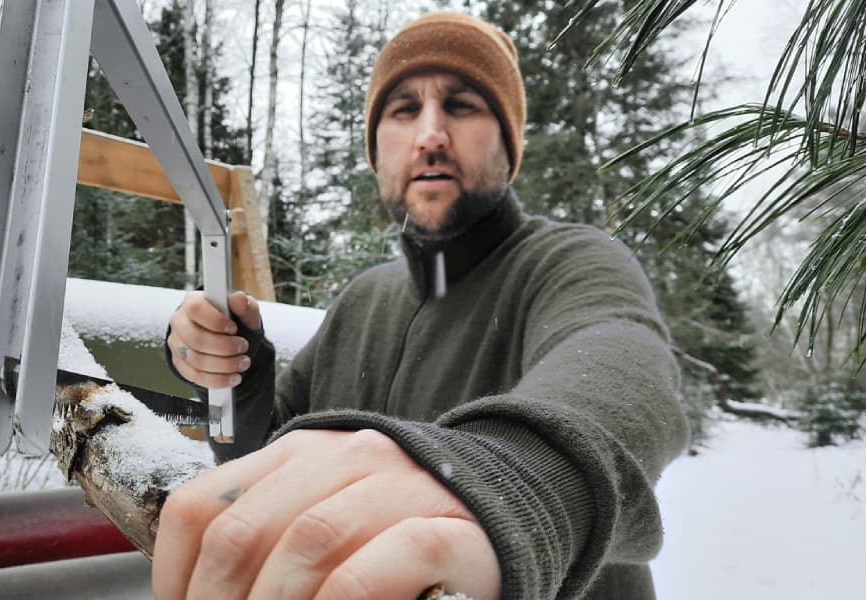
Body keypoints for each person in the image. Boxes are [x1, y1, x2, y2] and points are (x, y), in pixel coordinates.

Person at [156, 11, 688, 600]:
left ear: (509, 144)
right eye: (404, 110)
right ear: (377, 149)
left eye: (462, 106)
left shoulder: (569, 261)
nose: (430, 133)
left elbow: (622, 357)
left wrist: (511, 480)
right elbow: (258, 456)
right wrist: (236, 376)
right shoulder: (363, 299)